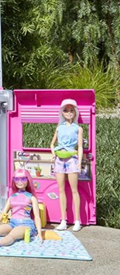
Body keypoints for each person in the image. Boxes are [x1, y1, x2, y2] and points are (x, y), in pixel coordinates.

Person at [50, 99, 84, 231]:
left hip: (72, 159)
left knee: (74, 190)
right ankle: (63, 220)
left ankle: (77, 220)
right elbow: (52, 143)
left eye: (71, 110)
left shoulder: (78, 128)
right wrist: (53, 153)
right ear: (62, 112)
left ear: (75, 112)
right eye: (66, 110)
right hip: (59, 158)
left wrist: (79, 161)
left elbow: (80, 146)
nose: (69, 113)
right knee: (61, 190)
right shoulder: (59, 127)